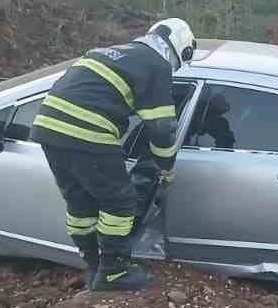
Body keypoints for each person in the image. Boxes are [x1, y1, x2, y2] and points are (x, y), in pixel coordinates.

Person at [29, 18, 196, 292]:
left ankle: (94, 266)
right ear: (182, 50)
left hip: (48, 128)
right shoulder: (156, 65)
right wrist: (165, 167)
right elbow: (162, 127)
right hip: (86, 131)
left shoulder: (111, 53)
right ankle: (114, 272)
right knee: (120, 202)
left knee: (80, 202)